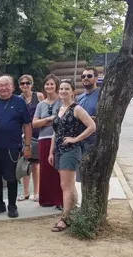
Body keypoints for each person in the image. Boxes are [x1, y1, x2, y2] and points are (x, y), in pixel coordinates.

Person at [49, 80, 96, 232]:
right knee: (67, 185)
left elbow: (92, 126)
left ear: (73, 92)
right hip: (59, 150)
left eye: (66, 89)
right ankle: (72, 212)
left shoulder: (77, 109)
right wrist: (51, 151)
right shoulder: (60, 109)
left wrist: (76, 139)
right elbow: (55, 133)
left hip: (71, 150)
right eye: (61, 88)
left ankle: (65, 218)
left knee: (66, 185)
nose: (63, 91)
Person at [0, 75, 32, 218]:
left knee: (11, 177)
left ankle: (12, 205)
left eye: (6, 85)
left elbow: (27, 124)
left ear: (12, 87)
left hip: (12, 147)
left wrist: (27, 145)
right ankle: (0, 204)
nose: (3, 88)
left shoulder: (19, 102)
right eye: (0, 85)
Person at [33, 74, 63, 209]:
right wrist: (50, 119)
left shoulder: (62, 101)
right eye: (47, 84)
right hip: (43, 139)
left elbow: (63, 119)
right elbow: (34, 123)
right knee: (45, 170)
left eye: (52, 84)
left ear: (56, 85)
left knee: (58, 170)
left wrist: (45, 121)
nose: (49, 87)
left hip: (59, 139)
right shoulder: (41, 104)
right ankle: (46, 199)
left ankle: (60, 200)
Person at [17, 75, 44, 202]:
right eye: (22, 83)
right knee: (24, 164)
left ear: (32, 84)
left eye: (27, 83)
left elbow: (43, 112)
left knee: (36, 164)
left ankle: (37, 192)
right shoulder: (18, 99)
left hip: (37, 133)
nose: (25, 85)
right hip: (23, 135)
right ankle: (26, 192)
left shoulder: (38, 96)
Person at [77, 68, 100, 153]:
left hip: (94, 141)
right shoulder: (79, 98)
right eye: (83, 76)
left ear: (96, 78)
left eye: (89, 76)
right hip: (79, 140)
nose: (85, 78)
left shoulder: (102, 95)